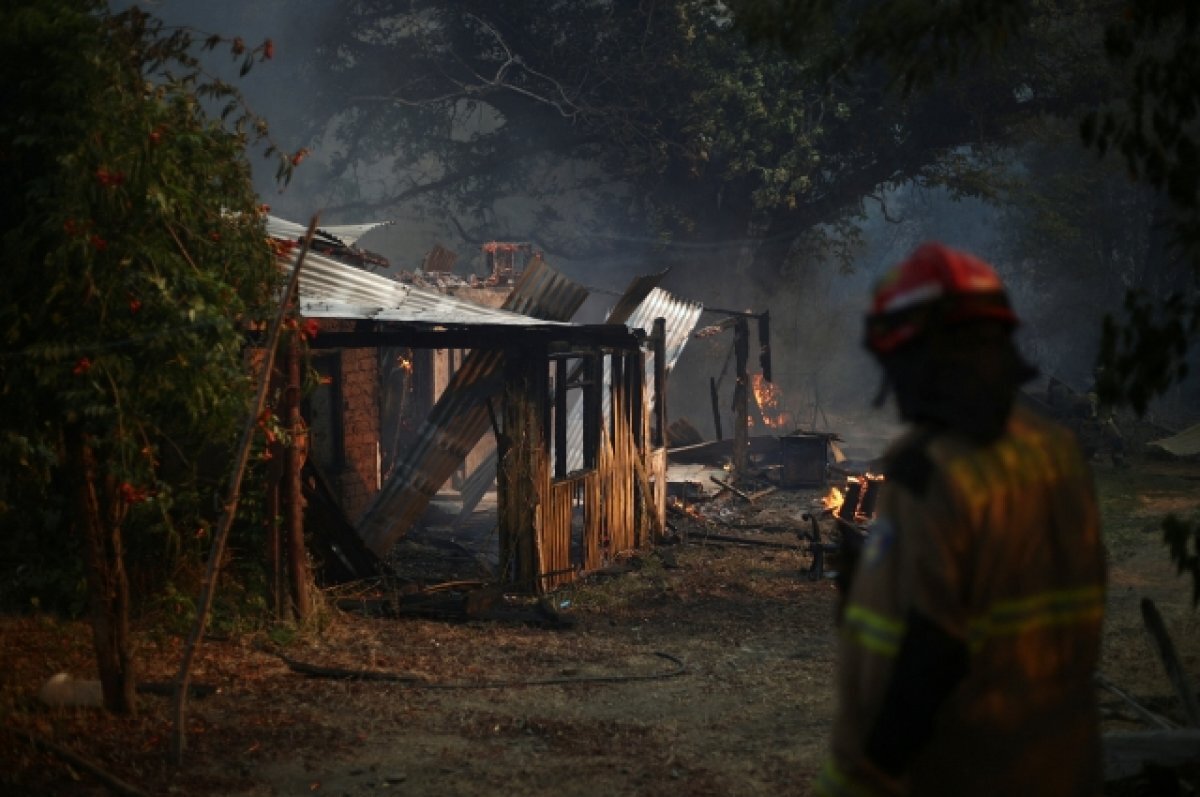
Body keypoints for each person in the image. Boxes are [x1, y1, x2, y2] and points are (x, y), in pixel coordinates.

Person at [815, 242, 1107, 797]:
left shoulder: (934, 472)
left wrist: (866, 777)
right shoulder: (1056, 453)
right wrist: (875, 584)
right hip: (1060, 764)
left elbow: (929, 658)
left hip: (963, 772)